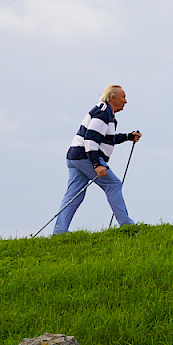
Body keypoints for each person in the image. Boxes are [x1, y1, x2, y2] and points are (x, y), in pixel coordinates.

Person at [55, 84, 142, 235]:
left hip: (75, 157)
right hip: (86, 156)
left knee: (74, 194)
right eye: (123, 97)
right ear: (113, 98)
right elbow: (90, 140)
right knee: (113, 184)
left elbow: (107, 138)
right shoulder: (103, 114)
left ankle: (59, 231)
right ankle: (127, 225)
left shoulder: (104, 112)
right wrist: (97, 164)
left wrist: (128, 136)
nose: (125, 101)